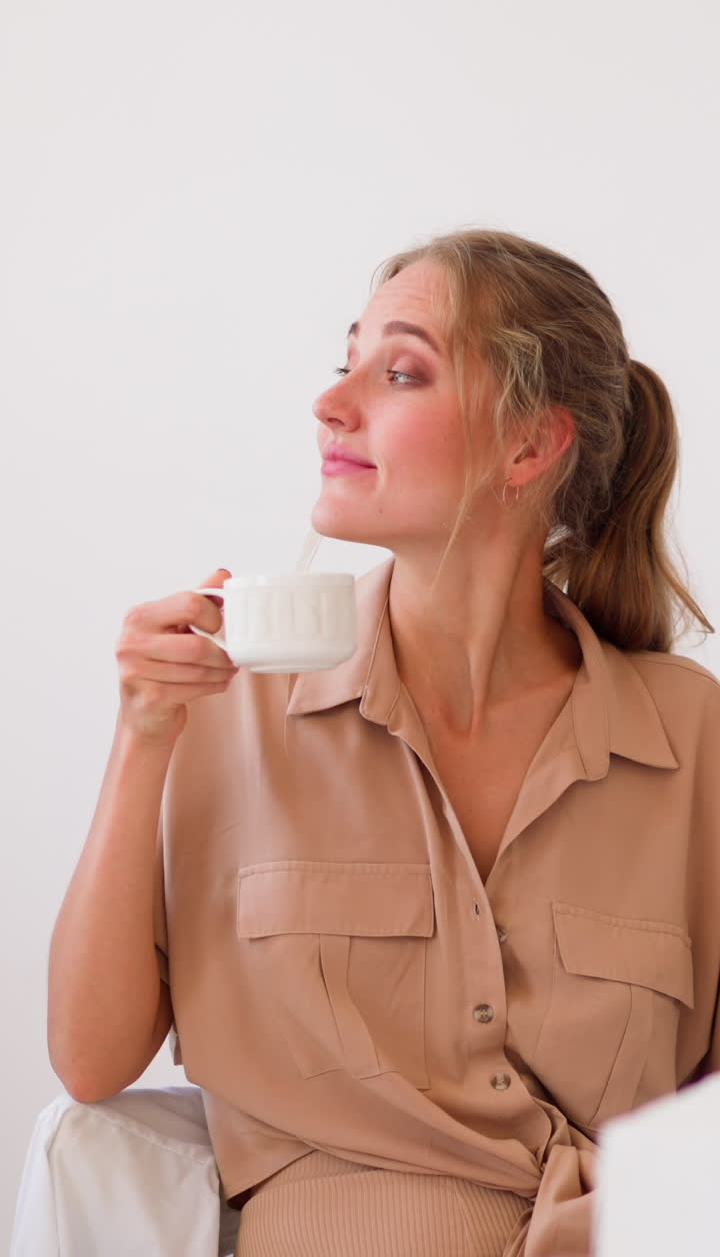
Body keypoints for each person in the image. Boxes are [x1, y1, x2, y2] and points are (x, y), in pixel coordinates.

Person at [13, 228, 719, 1257]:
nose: (331, 403)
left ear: (530, 446)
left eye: (399, 371)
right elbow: (89, 1063)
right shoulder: (229, 703)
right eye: (344, 361)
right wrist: (141, 738)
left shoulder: (689, 734)